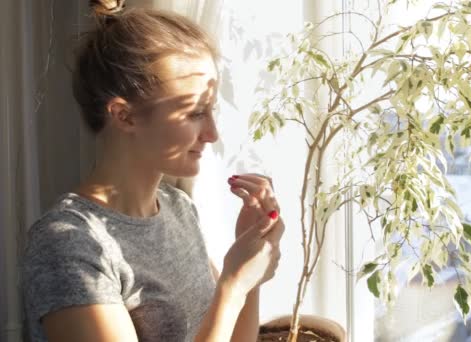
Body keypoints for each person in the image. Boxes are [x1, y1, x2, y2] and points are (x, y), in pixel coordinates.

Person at [21, 1, 285, 341]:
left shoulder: (178, 209)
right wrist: (232, 286)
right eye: (194, 113)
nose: (212, 133)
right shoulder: (68, 244)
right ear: (124, 115)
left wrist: (250, 271)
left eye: (210, 111)